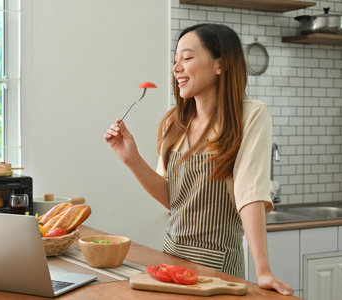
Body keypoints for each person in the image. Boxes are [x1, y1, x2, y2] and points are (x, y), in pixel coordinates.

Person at [104, 23, 294, 295]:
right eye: (175, 60)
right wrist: (130, 158)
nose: (176, 68)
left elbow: (249, 194)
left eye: (188, 58)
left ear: (221, 64)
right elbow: (173, 198)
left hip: (218, 267)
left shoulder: (250, 116)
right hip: (170, 259)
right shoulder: (173, 122)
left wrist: (263, 270)